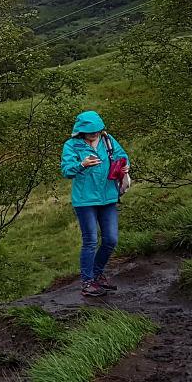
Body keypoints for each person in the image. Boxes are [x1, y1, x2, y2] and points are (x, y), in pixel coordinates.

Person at [61, 110, 129, 297]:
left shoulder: (107, 140)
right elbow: (66, 171)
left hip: (108, 197)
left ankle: (97, 274)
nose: (94, 134)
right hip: (85, 200)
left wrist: (125, 165)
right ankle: (87, 282)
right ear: (81, 131)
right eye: (90, 131)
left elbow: (121, 155)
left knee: (111, 240)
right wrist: (82, 165)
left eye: (97, 130)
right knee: (90, 240)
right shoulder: (72, 145)